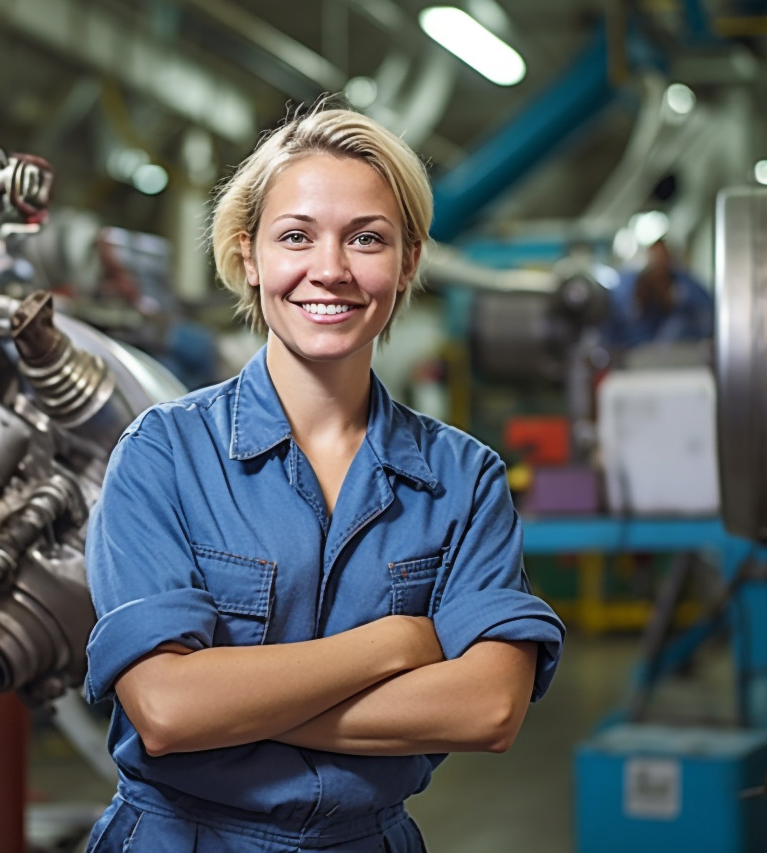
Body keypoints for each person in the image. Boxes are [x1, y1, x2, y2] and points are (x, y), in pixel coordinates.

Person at [82, 105, 565, 852]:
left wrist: (233, 706)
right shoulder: (163, 455)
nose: (330, 269)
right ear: (249, 256)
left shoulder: (464, 479)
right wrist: (398, 640)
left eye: (366, 238)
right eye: (296, 235)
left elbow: (487, 709)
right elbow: (168, 710)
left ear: (408, 262)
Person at [602, 238, 713, 350]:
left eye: (664, 256)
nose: (660, 261)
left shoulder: (683, 283)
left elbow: (707, 311)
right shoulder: (632, 285)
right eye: (656, 256)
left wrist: (678, 297)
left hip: (674, 348)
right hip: (637, 347)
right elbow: (617, 320)